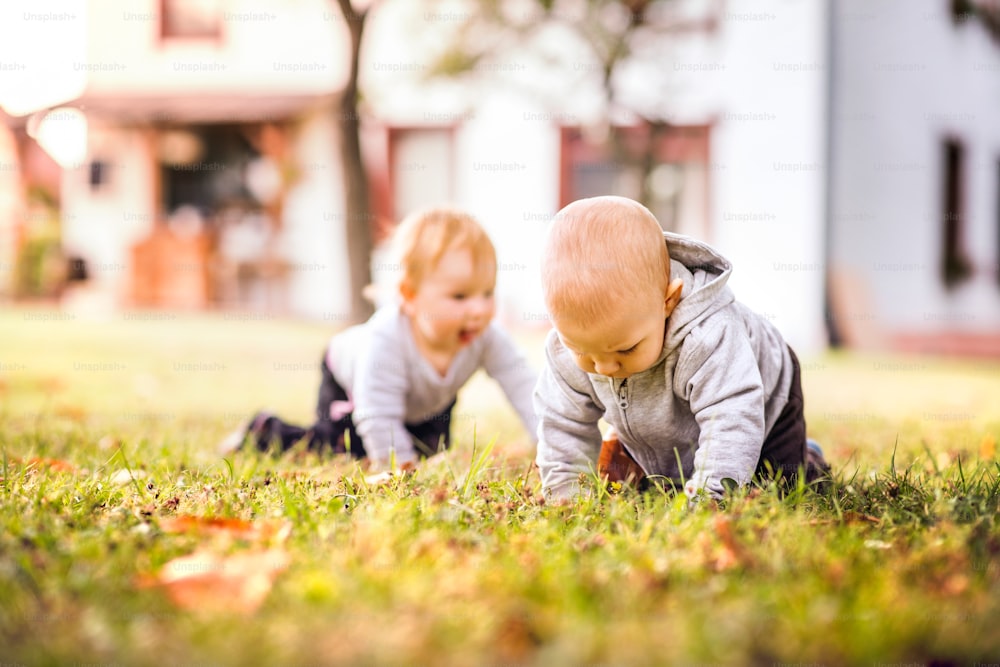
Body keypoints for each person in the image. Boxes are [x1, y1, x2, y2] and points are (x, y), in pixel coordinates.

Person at [533, 195, 830, 502]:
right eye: (582, 351)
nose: (604, 367)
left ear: (668, 301)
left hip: (763, 396)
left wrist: (712, 497)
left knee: (779, 487)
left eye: (626, 349)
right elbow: (562, 423)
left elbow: (729, 418)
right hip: (660, 420)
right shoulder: (564, 350)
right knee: (655, 482)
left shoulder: (708, 337)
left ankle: (809, 456)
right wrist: (567, 496)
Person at [221, 207, 538, 469]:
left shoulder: (488, 337)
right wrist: (398, 468)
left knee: (430, 449)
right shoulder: (386, 341)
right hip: (350, 379)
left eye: (487, 293)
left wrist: (549, 443)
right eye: (459, 296)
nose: (479, 310)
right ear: (410, 297)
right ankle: (264, 431)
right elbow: (376, 412)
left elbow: (524, 386)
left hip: (421, 400)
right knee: (344, 449)